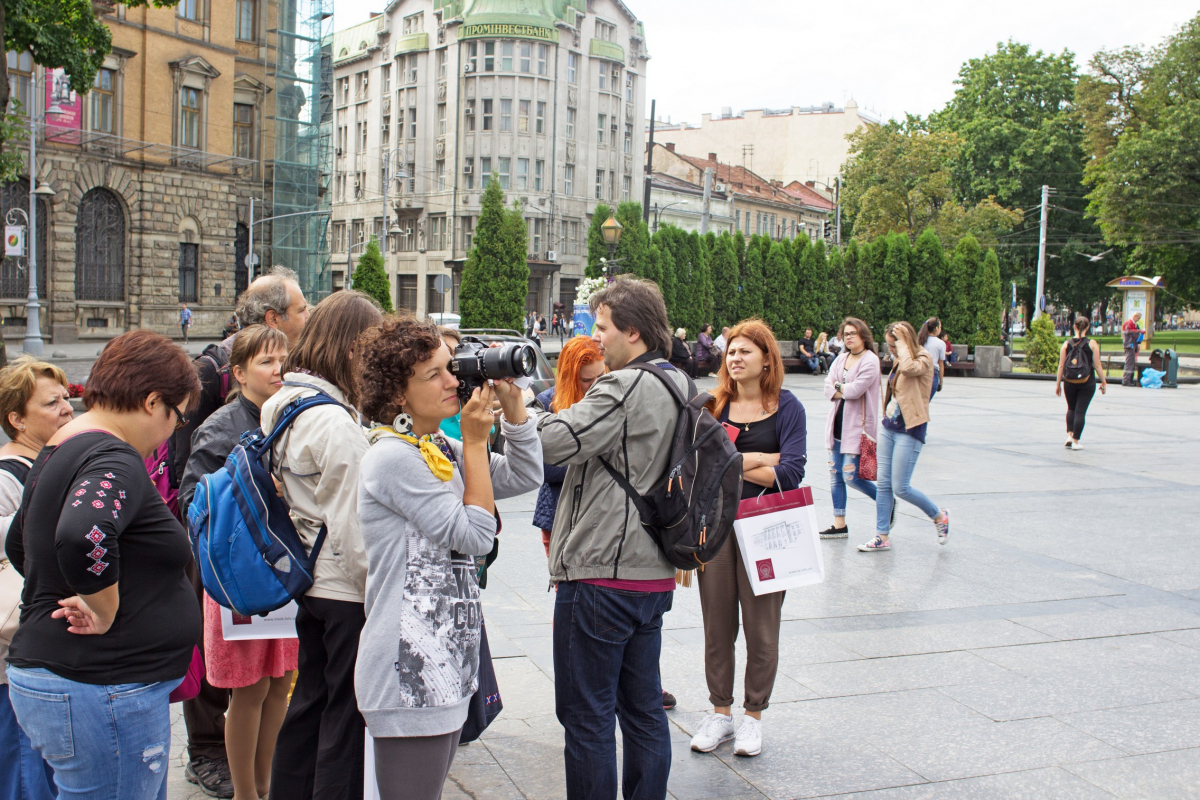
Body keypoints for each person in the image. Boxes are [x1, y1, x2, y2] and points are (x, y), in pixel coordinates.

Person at [5, 330, 202, 799]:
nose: (173, 430)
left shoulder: (62, 447)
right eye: (178, 417)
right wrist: (106, 606)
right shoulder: (112, 454)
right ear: (154, 402)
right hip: (103, 688)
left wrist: (63, 587)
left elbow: (21, 543)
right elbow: (83, 533)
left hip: (86, 684)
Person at [354, 317, 542, 800]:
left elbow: (524, 475)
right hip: (408, 670)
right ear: (397, 393)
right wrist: (477, 443)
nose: (454, 381)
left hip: (444, 658)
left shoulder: (435, 445)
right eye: (435, 374)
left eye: (450, 368)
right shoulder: (393, 457)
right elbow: (476, 535)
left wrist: (516, 411)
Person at [535, 276, 686, 800]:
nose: (595, 338)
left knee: (587, 717)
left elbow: (555, 442)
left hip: (602, 572)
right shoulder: (678, 383)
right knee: (642, 709)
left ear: (635, 333)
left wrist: (520, 414)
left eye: (602, 328)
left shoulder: (624, 385)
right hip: (652, 574)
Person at [174, 265, 309, 798]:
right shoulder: (222, 426)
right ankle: (246, 789)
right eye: (267, 361)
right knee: (247, 692)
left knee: (280, 685)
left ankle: (267, 778)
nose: (279, 370)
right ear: (238, 371)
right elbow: (194, 501)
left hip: (281, 574)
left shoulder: (288, 415)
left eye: (284, 360)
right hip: (238, 578)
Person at [263, 290, 383, 800]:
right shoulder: (335, 423)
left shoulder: (282, 403)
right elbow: (353, 526)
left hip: (308, 579)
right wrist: (378, 594)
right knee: (344, 717)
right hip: (344, 589)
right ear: (353, 349)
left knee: (308, 702)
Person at [691, 320, 807, 759]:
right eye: (731, 352)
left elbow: (792, 472)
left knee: (762, 630)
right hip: (717, 525)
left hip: (767, 529)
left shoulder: (788, 408)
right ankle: (720, 712)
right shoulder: (714, 407)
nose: (734, 358)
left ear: (766, 359)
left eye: (744, 352)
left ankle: (753, 717)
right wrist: (761, 459)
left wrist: (732, 461)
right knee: (717, 627)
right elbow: (702, 464)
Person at [0, 358, 74, 800]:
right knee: (26, 773)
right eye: (52, 402)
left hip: (40, 649)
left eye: (66, 397)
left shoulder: (46, 463)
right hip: (14, 660)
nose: (68, 408)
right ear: (16, 419)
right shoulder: (8, 478)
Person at [858, 322, 950, 552]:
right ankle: (882, 536)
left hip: (911, 428)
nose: (890, 350)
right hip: (890, 426)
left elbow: (910, 369)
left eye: (893, 344)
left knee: (901, 487)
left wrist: (902, 345)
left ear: (904, 341)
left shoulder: (923, 358)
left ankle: (939, 516)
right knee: (884, 485)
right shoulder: (902, 357)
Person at [533, 336, 606, 558]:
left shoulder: (613, 399)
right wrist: (594, 461)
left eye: (601, 376)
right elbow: (540, 467)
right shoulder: (547, 403)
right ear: (570, 378)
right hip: (559, 513)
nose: (596, 386)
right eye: (586, 380)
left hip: (601, 517)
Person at [820, 318, 881, 540]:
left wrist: (839, 387)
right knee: (835, 475)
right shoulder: (841, 358)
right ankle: (839, 524)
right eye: (846, 334)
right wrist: (839, 388)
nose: (849, 337)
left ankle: (885, 499)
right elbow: (828, 386)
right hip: (836, 426)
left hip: (857, 427)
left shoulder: (870, 360)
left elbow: (855, 391)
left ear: (864, 335)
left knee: (850, 476)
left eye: (853, 333)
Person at [1056, 316, 1107, 450]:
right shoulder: (1092, 344)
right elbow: (1097, 365)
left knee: (1071, 408)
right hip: (1087, 382)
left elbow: (1061, 366)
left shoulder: (1066, 344)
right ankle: (1076, 442)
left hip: (1069, 381)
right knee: (1080, 412)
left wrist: (1057, 384)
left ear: (1074, 326)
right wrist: (1104, 381)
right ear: (1088, 327)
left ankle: (1069, 435)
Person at [919, 317, 947, 394]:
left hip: (919, 372)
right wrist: (941, 381)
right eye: (940, 327)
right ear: (936, 328)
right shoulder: (940, 343)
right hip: (932, 373)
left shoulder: (920, 340)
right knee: (925, 402)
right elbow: (941, 364)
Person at [1122, 311, 1142, 386]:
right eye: (1138, 318)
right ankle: (1126, 381)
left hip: (1132, 345)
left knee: (1131, 363)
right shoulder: (1129, 323)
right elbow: (1128, 331)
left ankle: (1129, 380)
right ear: (1135, 316)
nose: (1138, 319)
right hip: (1129, 345)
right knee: (1129, 363)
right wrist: (1138, 331)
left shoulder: (1134, 324)